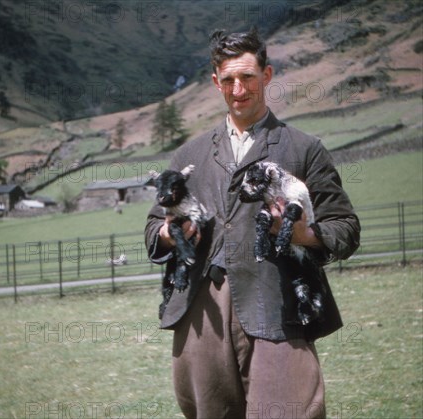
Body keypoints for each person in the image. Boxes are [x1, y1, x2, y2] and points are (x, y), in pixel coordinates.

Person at [144, 28, 360, 419]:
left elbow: (345, 226)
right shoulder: (189, 154)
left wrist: (303, 234)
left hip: (278, 303)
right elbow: (153, 229)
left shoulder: (303, 148)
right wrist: (167, 235)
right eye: (228, 79)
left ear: (267, 75)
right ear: (215, 82)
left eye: (247, 77)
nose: (238, 88)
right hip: (201, 309)